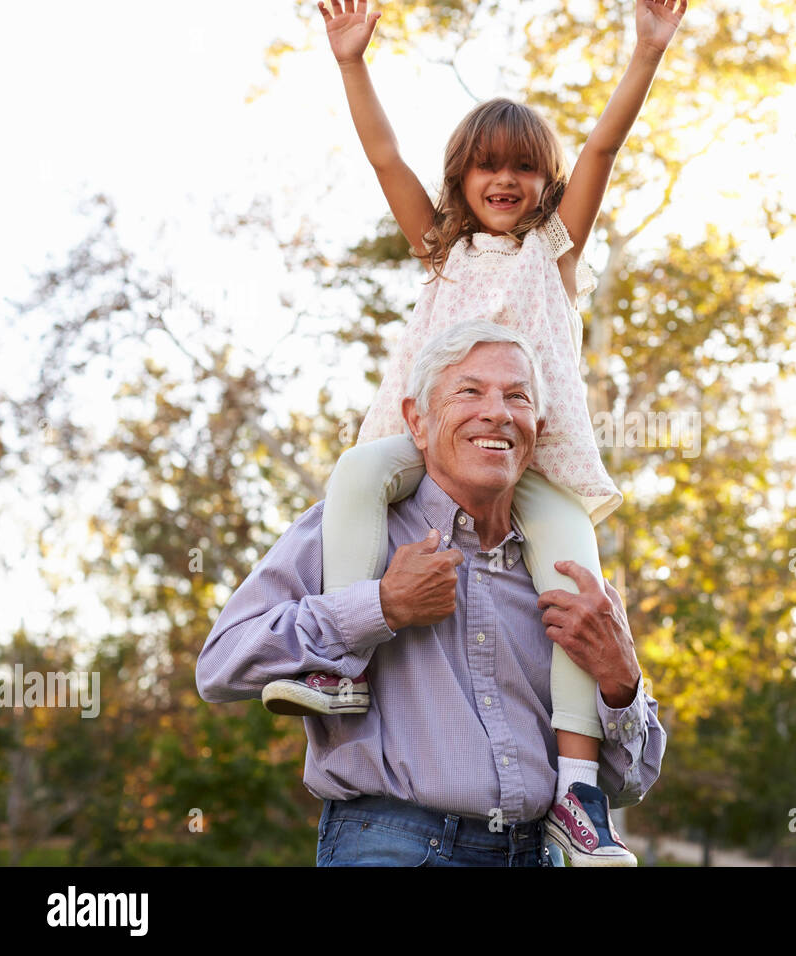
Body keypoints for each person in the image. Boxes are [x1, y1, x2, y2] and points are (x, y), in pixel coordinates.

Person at [257, 0, 686, 865]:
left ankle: (576, 792)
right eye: (487, 167)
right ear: (459, 179)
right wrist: (351, 63)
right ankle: (339, 668)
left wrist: (645, 51)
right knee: (351, 479)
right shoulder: (440, 248)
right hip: (428, 451)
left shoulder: (554, 251)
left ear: (544, 184)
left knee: (576, 585)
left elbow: (602, 146)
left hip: (531, 458)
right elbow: (383, 155)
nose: (505, 182)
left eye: (524, 170)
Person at [197, 321, 666, 867]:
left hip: (536, 853)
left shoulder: (572, 576)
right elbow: (221, 666)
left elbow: (632, 782)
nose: (497, 412)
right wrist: (380, 606)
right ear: (417, 422)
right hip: (388, 844)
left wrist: (620, 679)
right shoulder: (350, 529)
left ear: (536, 427)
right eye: (469, 391)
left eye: (516, 397)